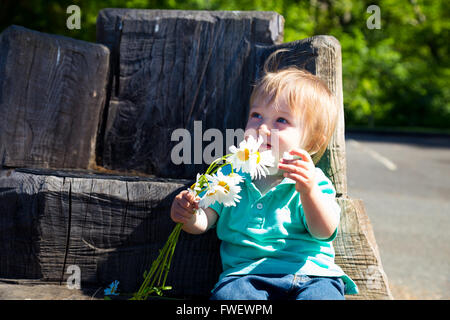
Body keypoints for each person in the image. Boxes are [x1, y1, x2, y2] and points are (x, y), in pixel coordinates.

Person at [170, 49, 358, 299]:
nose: (263, 127)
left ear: (311, 142)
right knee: (229, 299)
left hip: (311, 275)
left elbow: (323, 231)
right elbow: (206, 219)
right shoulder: (231, 172)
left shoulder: (312, 180)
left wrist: (309, 192)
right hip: (245, 277)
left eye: (281, 120)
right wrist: (189, 216)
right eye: (256, 115)